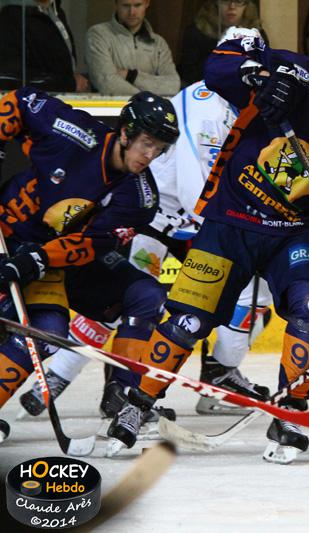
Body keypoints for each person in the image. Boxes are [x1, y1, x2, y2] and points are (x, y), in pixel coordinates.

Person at [104, 33, 309, 462]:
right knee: (187, 318)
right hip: (231, 221)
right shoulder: (295, 72)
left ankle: (290, 413)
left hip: (298, 233)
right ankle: (137, 403)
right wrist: (260, 80)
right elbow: (218, 65)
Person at [16, 73, 275, 422]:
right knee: (124, 304)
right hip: (155, 220)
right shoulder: (206, 112)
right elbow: (194, 192)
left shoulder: (241, 108)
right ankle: (66, 379)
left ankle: (217, 372)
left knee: (245, 289)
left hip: (185, 223)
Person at [0, 87, 180, 445]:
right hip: (8, 233)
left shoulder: (140, 198)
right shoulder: (74, 131)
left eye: (159, 148)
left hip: (50, 260)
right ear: (125, 133)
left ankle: (123, 400)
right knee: (43, 324)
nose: (150, 155)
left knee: (143, 296)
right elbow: (17, 102)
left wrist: (38, 260)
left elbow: (89, 245)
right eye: (146, 143)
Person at [86, 0, 180, 96]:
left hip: (148, 104)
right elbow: (107, 83)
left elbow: (173, 86)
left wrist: (130, 75)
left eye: (137, 5)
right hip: (111, 105)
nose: (132, 12)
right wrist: (144, 98)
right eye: (125, 6)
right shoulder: (98, 34)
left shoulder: (158, 43)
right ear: (116, 4)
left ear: (147, 3)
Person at [0, 0, 91, 93]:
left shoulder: (55, 12)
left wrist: (71, 83)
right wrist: (69, 84)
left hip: (60, 98)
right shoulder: (10, 16)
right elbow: (10, 77)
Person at [179, 0, 266, 86]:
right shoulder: (196, 33)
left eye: (238, 1)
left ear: (246, 6)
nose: (232, 6)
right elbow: (188, 73)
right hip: (205, 89)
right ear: (216, 4)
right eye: (226, 0)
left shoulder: (256, 35)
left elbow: (264, 69)